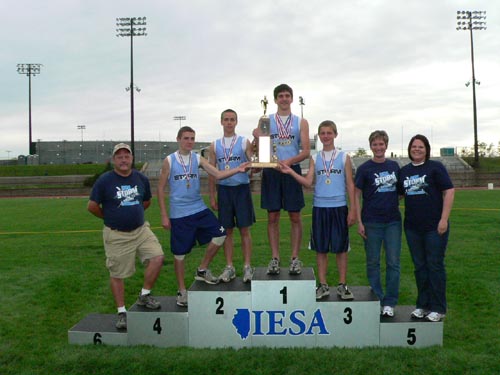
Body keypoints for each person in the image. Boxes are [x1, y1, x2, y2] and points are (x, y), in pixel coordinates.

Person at [157, 126, 250, 307]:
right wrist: (163, 214)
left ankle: (202, 269)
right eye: (186, 138)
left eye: (192, 138)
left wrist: (238, 169)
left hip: (198, 208)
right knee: (179, 254)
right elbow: (160, 188)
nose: (189, 141)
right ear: (178, 139)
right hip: (179, 213)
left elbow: (217, 173)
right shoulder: (170, 160)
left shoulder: (197, 158)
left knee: (221, 233)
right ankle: (182, 291)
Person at [87, 143, 164, 330]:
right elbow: (92, 206)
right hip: (117, 235)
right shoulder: (105, 181)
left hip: (140, 230)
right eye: (119, 156)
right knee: (117, 274)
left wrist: (132, 214)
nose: (123, 159)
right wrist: (111, 217)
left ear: (131, 159)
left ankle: (144, 295)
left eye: (126, 156)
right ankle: (121, 311)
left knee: (157, 257)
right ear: (114, 160)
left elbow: (146, 201)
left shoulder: (140, 178)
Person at [279, 120, 356, 300]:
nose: (326, 136)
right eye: (323, 133)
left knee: (341, 248)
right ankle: (322, 285)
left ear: (335, 135)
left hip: (339, 207)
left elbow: (350, 185)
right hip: (320, 207)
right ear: (319, 136)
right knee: (320, 248)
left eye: (329, 133)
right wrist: (290, 171)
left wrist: (352, 210)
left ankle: (342, 285)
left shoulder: (344, 157)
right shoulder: (314, 157)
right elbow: (307, 182)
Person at [253, 83, 310, 275]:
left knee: (295, 216)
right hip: (271, 171)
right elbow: (259, 151)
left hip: (291, 170)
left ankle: (294, 258)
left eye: (287, 95)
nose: (284, 99)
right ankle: (275, 258)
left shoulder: (300, 122)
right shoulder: (266, 120)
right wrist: (257, 138)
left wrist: (289, 161)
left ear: (292, 99)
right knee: (272, 216)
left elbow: (306, 151)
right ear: (276, 99)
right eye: (280, 96)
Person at [398, 134, 455, 322]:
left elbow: (449, 191)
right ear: (409, 149)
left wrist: (444, 219)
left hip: (434, 227)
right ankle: (423, 305)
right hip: (413, 227)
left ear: (427, 149)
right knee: (420, 267)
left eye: (421, 147)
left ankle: (438, 308)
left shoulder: (435, 168)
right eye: (414, 146)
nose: (417, 149)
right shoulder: (404, 171)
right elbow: (398, 194)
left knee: (435, 266)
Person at [354, 130, 401, 317]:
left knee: (393, 262)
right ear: (371, 146)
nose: (378, 147)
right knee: (373, 261)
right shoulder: (365, 168)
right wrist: (359, 221)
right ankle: (377, 297)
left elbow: (401, 191)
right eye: (375, 144)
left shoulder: (394, 166)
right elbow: (356, 195)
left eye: (381, 144)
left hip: (392, 222)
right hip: (371, 221)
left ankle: (390, 302)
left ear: (386, 145)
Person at [208, 109, 256, 283]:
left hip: (241, 189)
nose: (229, 122)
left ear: (236, 122)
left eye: (232, 119)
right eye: (226, 119)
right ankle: (229, 267)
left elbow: (252, 163)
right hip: (224, 191)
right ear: (221, 122)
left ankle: (247, 266)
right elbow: (212, 172)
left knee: (244, 229)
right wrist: (212, 196)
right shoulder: (214, 145)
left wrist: (254, 165)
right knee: (227, 231)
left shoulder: (244, 142)